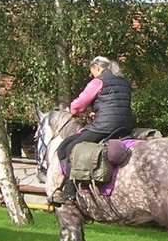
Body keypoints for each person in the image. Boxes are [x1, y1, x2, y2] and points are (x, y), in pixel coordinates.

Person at [50, 56, 136, 205]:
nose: (92, 75)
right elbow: (114, 104)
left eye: (92, 71)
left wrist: (73, 111)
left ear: (97, 67)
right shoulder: (124, 82)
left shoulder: (99, 81)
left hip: (105, 126)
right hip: (126, 125)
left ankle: (69, 192)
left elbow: (79, 104)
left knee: (69, 147)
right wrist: (96, 114)